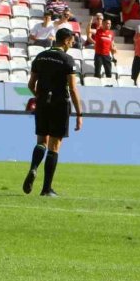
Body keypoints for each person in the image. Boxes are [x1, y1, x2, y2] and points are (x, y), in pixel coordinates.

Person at [23, 28, 84, 197]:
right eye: (72, 41)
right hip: (60, 104)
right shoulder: (67, 59)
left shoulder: (40, 56)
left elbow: (30, 84)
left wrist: (39, 97)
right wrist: (79, 114)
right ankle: (46, 189)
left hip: (42, 103)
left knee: (41, 141)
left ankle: (34, 167)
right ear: (66, 40)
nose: (72, 44)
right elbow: (72, 88)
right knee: (54, 146)